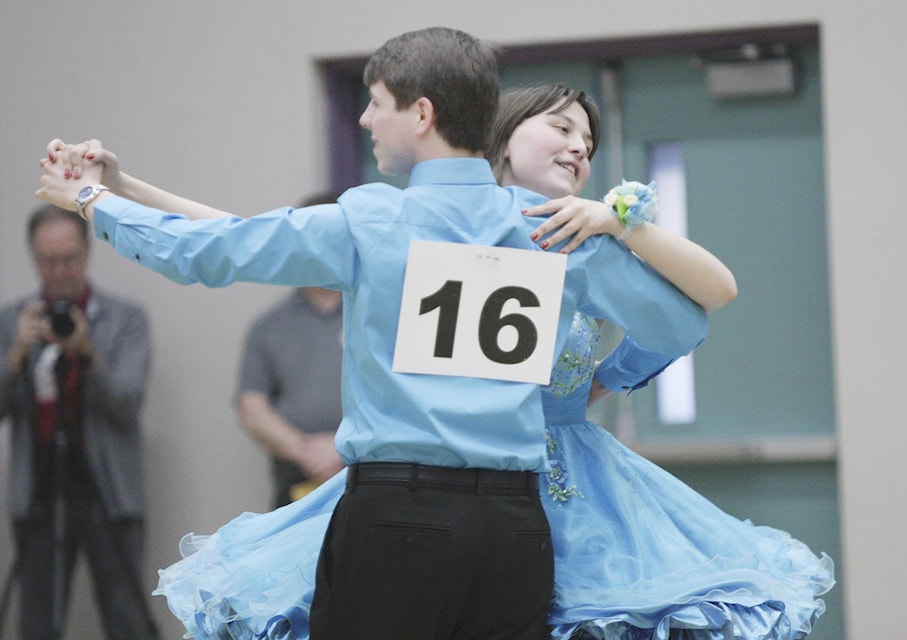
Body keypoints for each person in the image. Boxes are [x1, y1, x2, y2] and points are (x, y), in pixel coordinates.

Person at [35, 28, 708, 640]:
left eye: (376, 102)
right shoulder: (554, 229)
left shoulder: (371, 221)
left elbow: (217, 249)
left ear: (422, 114)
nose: (364, 119)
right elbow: (680, 320)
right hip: (515, 526)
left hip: (397, 519)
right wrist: (606, 380)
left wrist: (94, 202)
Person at [150, 85, 831, 640]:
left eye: (589, 143)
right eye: (562, 128)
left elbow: (702, 303)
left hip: (569, 486)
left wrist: (621, 235)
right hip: (432, 479)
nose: (578, 147)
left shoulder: (578, 241)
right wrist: (119, 191)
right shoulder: (422, 223)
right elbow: (242, 233)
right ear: (502, 137)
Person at [0, 204, 158, 640]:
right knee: (37, 621)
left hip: (108, 492)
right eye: (48, 261)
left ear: (87, 254)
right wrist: (15, 355)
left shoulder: (126, 320)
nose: (59, 271)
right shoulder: (12, 322)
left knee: (127, 617)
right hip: (39, 493)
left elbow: (126, 404)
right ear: (33, 258)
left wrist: (87, 350)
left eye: (68, 259)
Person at [236, 195, 344, 508]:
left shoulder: (384, 316)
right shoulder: (269, 325)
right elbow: (252, 407)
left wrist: (343, 448)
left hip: (373, 479)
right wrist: (311, 453)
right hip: (297, 481)